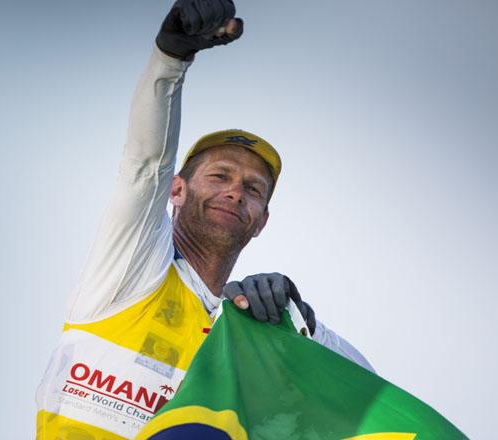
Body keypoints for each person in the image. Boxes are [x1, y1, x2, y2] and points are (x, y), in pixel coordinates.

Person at [36, 1, 372, 439]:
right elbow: (144, 166)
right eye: (219, 176)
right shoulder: (130, 271)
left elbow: (370, 398)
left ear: (261, 221)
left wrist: (302, 322)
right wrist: (169, 60)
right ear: (176, 190)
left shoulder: (247, 331)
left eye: (253, 190)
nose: (235, 191)